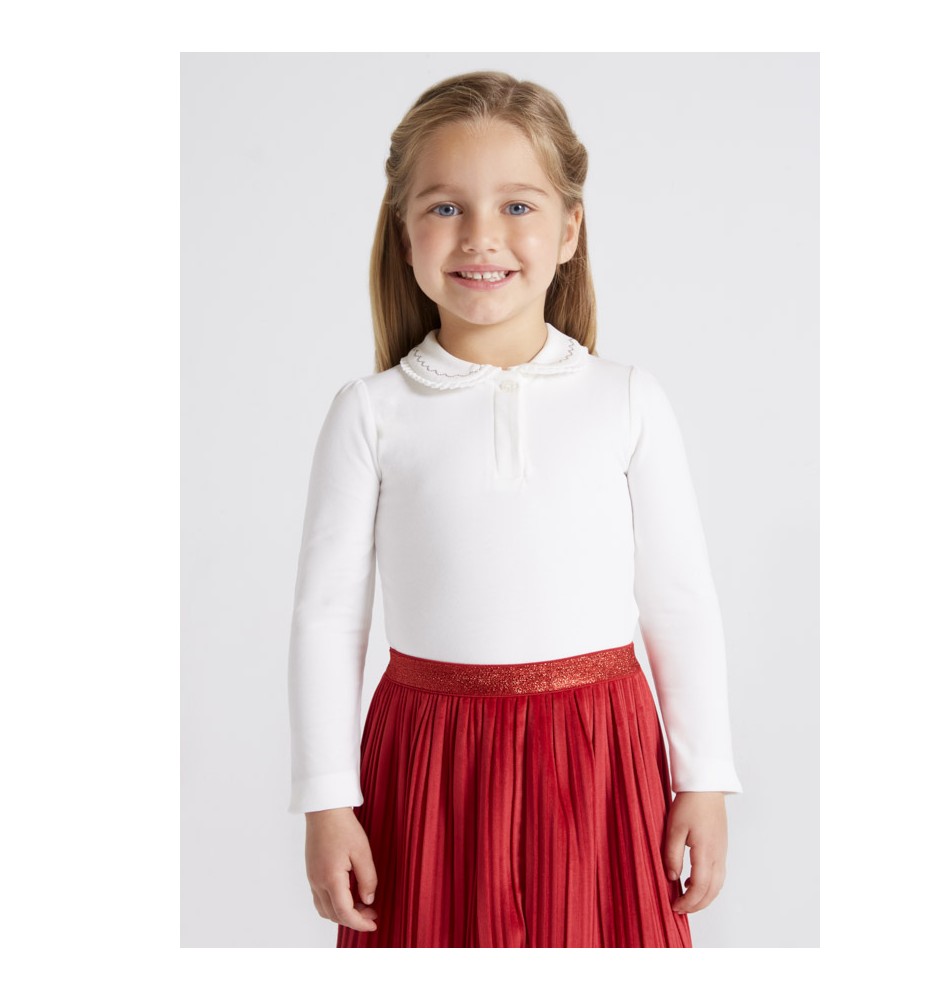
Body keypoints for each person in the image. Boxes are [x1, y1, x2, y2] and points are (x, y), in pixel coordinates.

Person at [286, 70, 743, 948]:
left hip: (602, 756)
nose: (481, 236)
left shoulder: (627, 400)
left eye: (518, 206)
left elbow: (680, 602)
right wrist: (326, 800)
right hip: (429, 761)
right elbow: (327, 618)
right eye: (445, 207)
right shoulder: (372, 412)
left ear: (570, 229)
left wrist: (705, 778)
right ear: (404, 233)